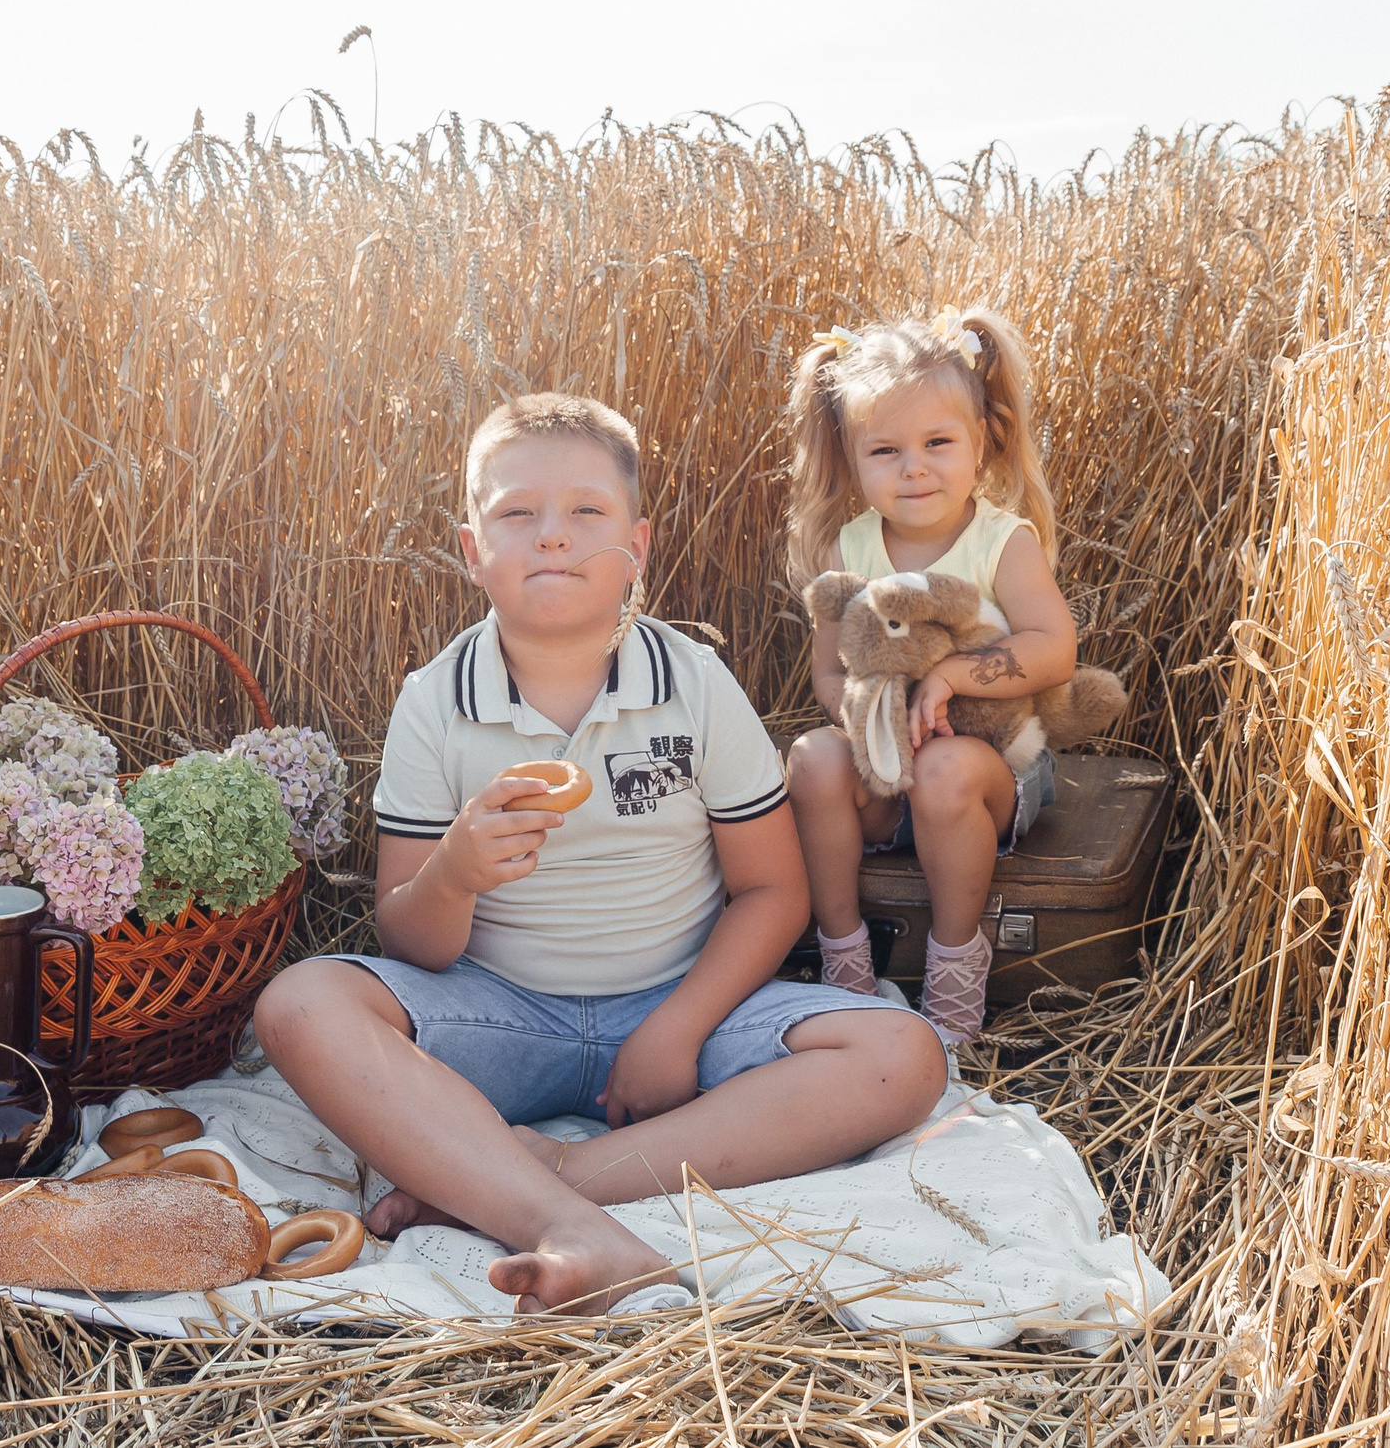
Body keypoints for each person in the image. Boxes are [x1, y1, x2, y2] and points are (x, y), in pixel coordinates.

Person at [254, 393, 947, 1316]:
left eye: (587, 510)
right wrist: (454, 873)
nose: (553, 535)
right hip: (502, 1020)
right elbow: (408, 942)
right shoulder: (436, 701)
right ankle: (565, 1223)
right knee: (300, 1003)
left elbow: (773, 891)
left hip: (677, 1005)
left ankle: (545, 1176)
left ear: (637, 546)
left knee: (903, 1053)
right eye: (516, 513)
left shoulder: (694, 684)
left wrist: (678, 1028)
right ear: (472, 550)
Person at [781, 308, 1081, 1046]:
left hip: (987, 774)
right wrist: (867, 722)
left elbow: (1054, 649)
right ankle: (845, 961)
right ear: (852, 458)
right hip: (888, 772)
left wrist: (952, 675)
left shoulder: (1000, 542)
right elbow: (828, 672)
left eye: (937, 443)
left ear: (980, 441)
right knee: (812, 759)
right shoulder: (850, 549)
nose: (913, 467)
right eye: (885, 450)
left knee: (945, 768)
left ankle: (954, 970)